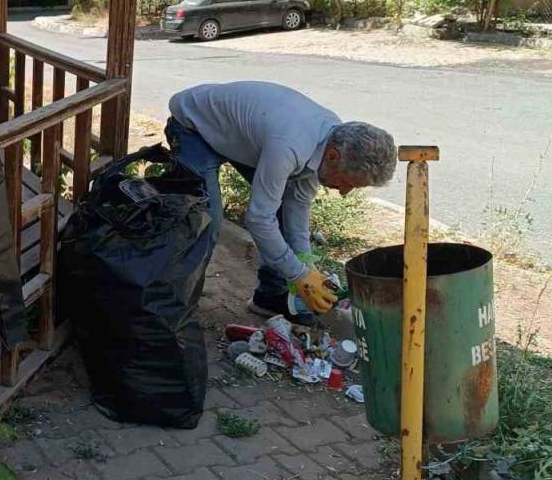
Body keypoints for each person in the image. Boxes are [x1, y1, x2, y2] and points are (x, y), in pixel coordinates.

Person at [166, 81, 397, 326]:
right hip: (193, 127)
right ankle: (172, 306)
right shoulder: (290, 145)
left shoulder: (330, 141)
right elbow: (257, 219)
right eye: (346, 182)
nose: (343, 192)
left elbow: (296, 207)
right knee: (204, 220)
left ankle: (270, 296)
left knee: (281, 213)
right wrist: (298, 274)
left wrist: (307, 269)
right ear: (333, 156)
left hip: (239, 135)